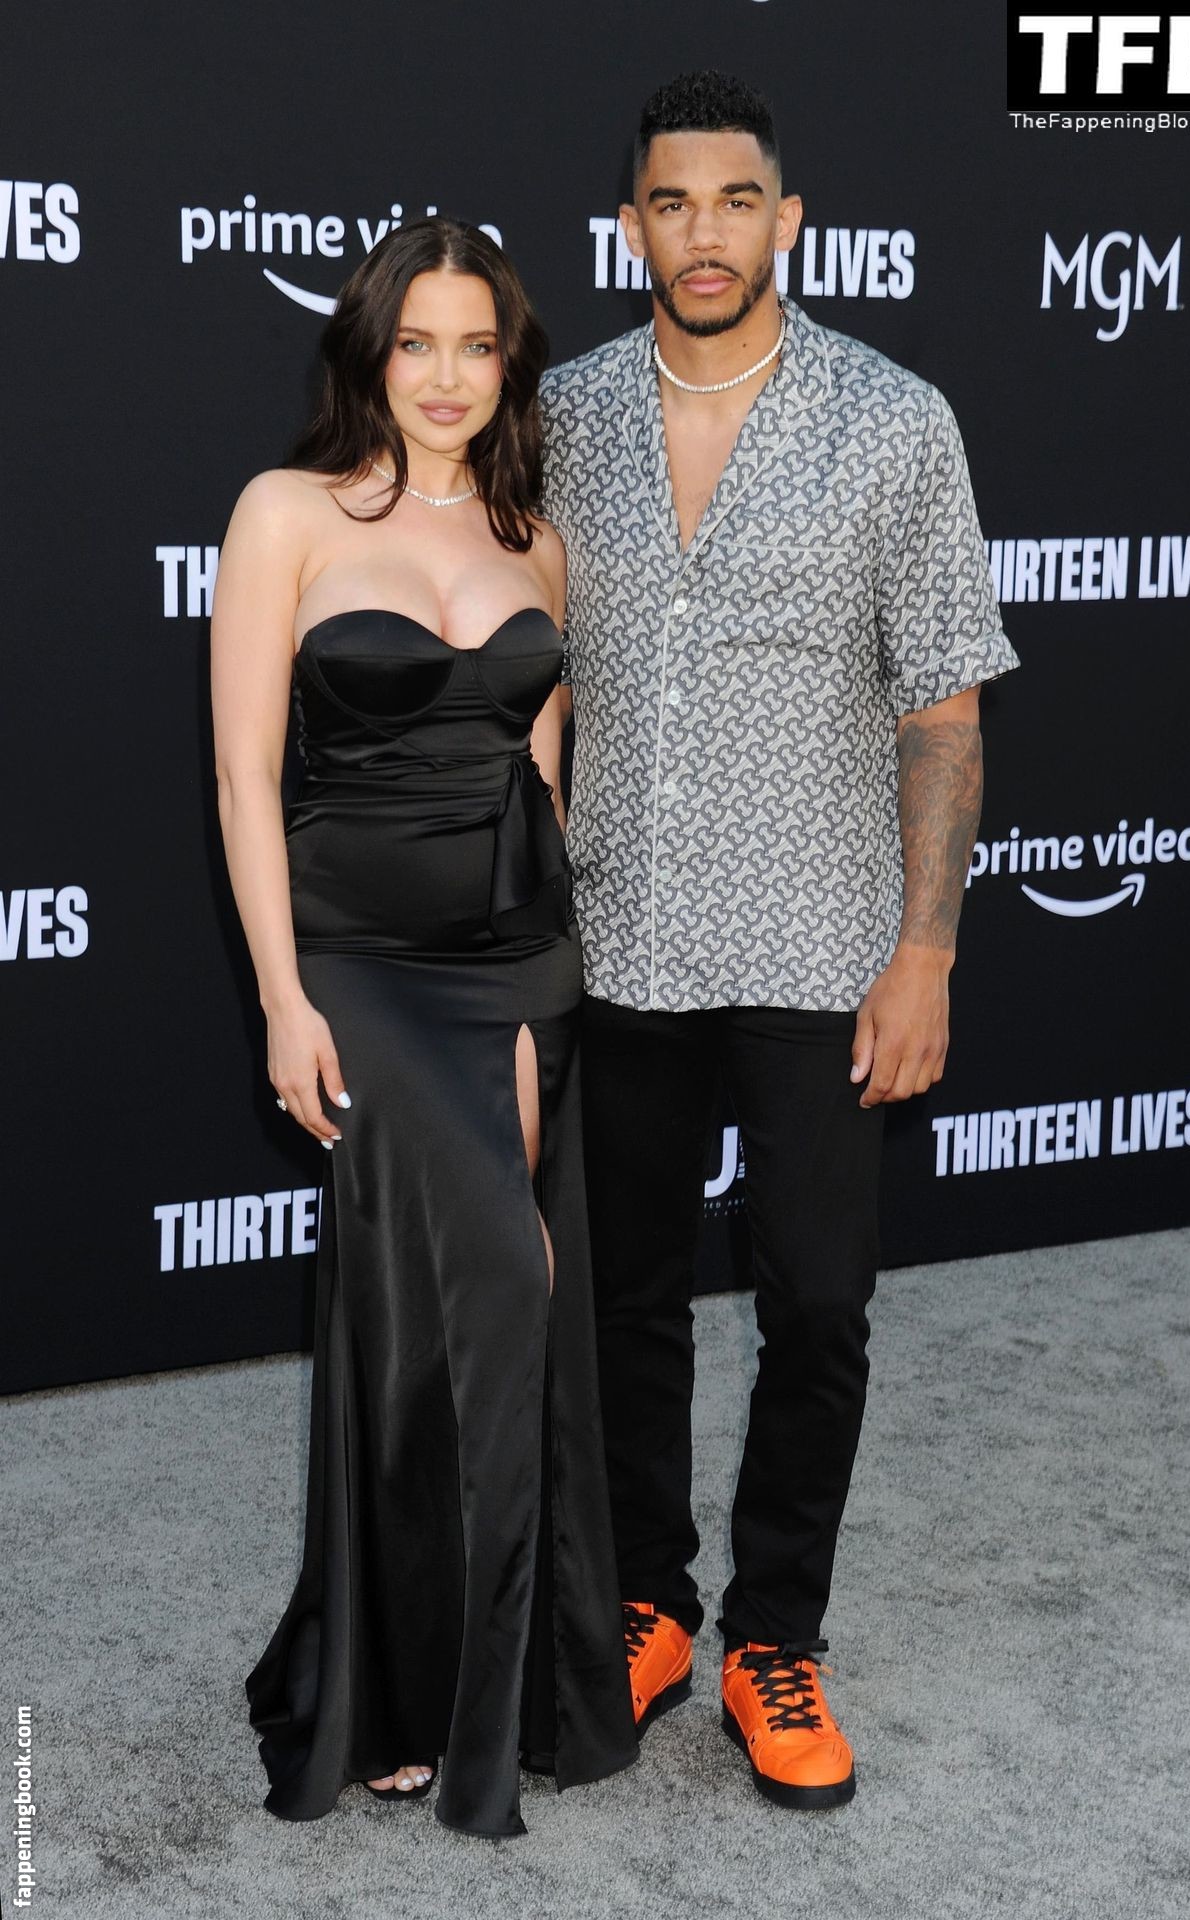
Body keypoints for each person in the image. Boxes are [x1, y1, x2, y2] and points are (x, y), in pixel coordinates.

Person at [540, 70, 1019, 1810]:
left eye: (734, 200)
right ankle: (651, 1600)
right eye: (670, 202)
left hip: (824, 941)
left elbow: (943, 712)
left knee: (817, 1301)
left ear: (786, 221)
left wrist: (926, 953)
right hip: (616, 933)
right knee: (626, 1298)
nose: (704, 233)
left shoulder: (893, 418)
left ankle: (775, 1634)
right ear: (631, 229)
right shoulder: (561, 414)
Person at [211, 216, 637, 1840]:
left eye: (477, 346)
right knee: (444, 1304)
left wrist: (558, 960)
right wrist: (281, 997)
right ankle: (396, 1688)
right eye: (416, 343)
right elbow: (245, 776)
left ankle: (501, 1681)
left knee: (507, 1304)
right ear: (369, 353)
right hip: (362, 963)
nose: (447, 377)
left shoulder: (539, 539)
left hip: (520, 956)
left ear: (508, 363)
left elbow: (541, 766)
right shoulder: (287, 512)